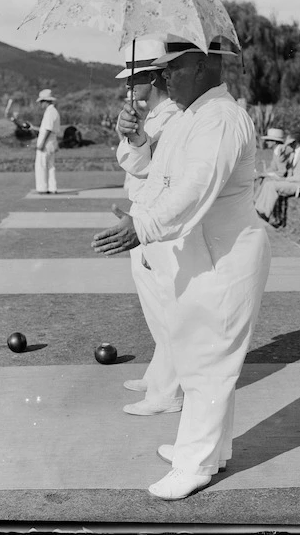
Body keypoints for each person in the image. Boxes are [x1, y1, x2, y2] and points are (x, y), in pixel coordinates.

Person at [92, 39, 272, 500]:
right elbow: (155, 171)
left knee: (211, 358)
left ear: (207, 65)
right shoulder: (189, 115)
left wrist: (144, 225)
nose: (164, 77)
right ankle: (211, 451)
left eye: (175, 67)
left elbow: (195, 186)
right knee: (195, 354)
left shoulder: (222, 118)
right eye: (164, 69)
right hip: (201, 251)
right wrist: (135, 137)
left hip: (227, 256)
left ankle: (195, 464)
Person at [114, 39, 181, 416]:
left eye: (133, 78)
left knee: (166, 307)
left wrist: (137, 137)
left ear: (154, 77)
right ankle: (160, 374)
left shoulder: (170, 116)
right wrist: (133, 132)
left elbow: (146, 168)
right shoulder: (151, 114)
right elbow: (130, 161)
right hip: (140, 211)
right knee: (154, 307)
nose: (128, 87)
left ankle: (168, 394)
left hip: (155, 218)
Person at [255, 129, 300, 223]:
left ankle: (266, 214)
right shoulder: (294, 151)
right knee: (268, 183)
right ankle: (259, 209)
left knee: (272, 185)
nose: (286, 145)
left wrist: (285, 179)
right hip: (293, 181)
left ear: (294, 142)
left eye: (288, 142)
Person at [34, 89, 61, 195]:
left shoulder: (50, 112)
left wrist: (42, 143)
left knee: (41, 165)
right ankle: (52, 187)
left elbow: (49, 129)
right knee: (50, 166)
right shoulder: (53, 111)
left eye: (41, 102)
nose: (41, 104)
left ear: (46, 101)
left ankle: (42, 188)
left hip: (47, 143)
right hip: (51, 142)